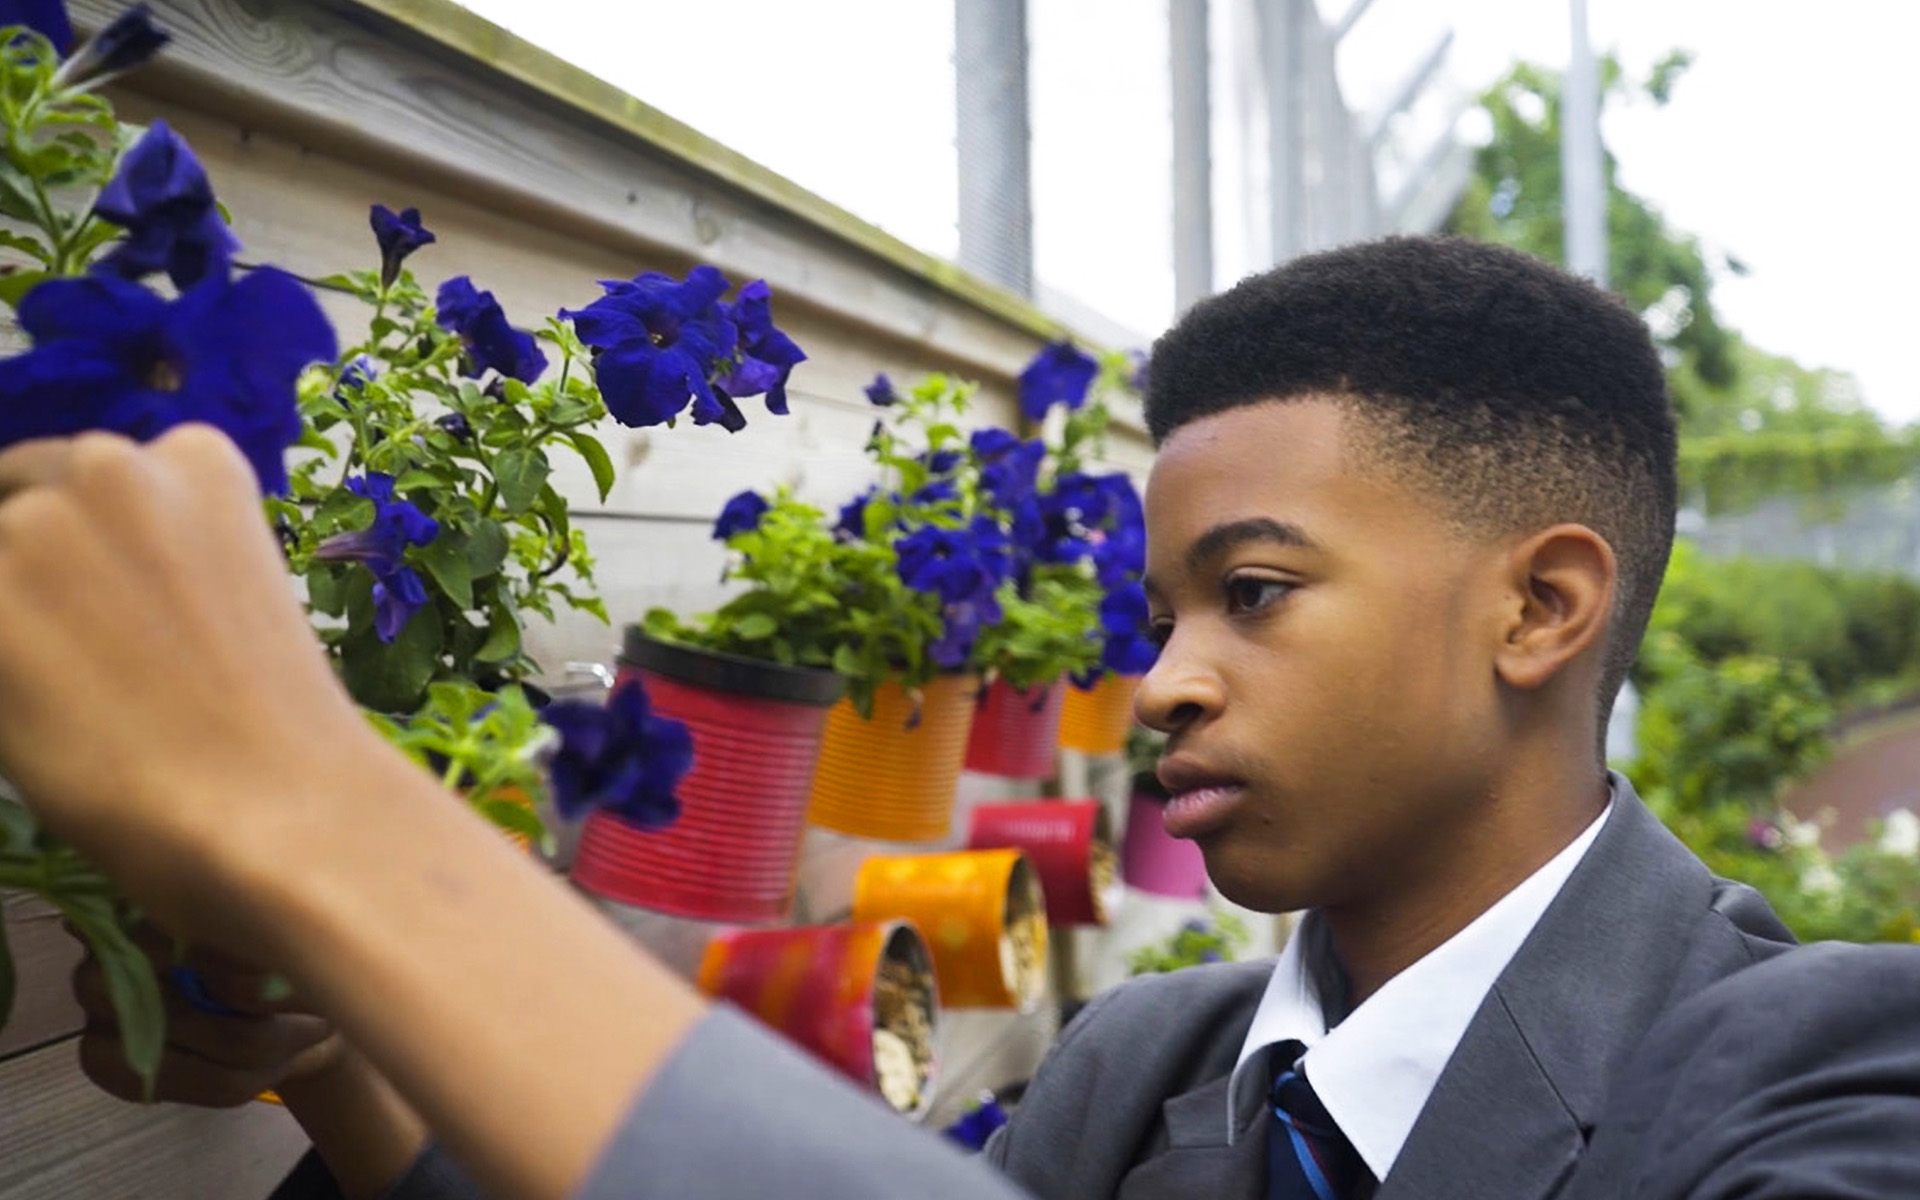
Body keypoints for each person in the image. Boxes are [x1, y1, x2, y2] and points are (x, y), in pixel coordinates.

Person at [25, 237, 1920, 1200]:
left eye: (1253, 596)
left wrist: (330, 822)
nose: (1163, 678)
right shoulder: (1143, 1074)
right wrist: (348, 1051)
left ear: (1543, 603)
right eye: (1160, 609)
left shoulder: (1820, 1081)